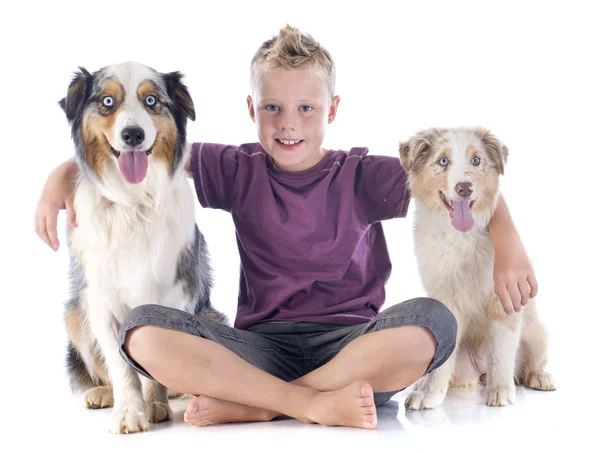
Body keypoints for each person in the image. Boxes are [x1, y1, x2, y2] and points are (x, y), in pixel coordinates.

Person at [34, 25, 537, 429]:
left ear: (332, 110)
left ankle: (262, 406)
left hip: (350, 344)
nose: (288, 123)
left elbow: (452, 178)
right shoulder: (238, 167)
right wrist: (64, 172)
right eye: (272, 108)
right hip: (259, 349)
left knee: (435, 322)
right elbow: (147, 151)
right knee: (140, 330)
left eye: (306, 109)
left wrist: (508, 238)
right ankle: (309, 402)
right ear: (252, 110)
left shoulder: (361, 173)